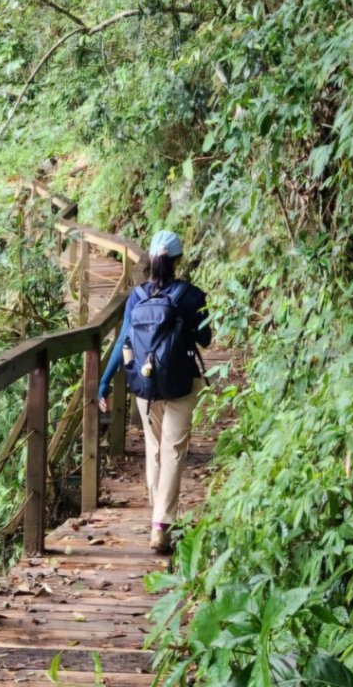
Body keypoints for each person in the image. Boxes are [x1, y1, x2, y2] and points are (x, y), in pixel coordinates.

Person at [98, 230, 210, 553]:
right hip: (180, 383)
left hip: (145, 386)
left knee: (155, 450)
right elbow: (206, 341)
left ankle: (158, 515)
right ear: (177, 261)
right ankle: (161, 524)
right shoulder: (191, 296)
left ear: (150, 261)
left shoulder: (136, 297)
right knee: (174, 451)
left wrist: (104, 382)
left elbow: (122, 342)